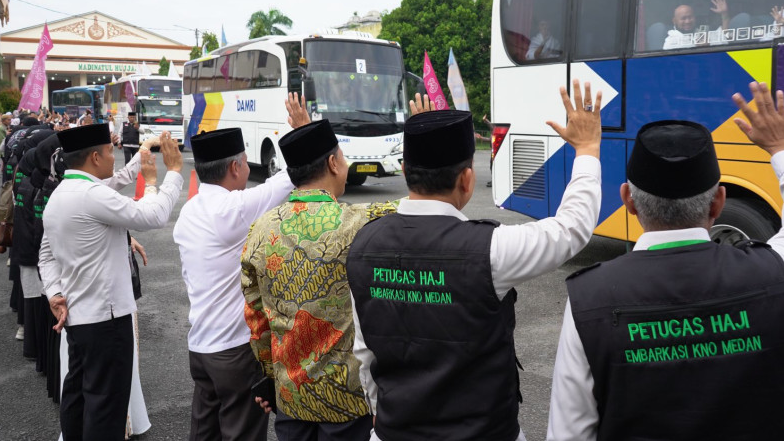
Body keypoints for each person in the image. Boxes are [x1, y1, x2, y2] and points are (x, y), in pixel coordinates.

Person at [546, 82, 784, 441]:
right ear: (719, 202)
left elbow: (569, 432)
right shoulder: (777, 275)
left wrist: (587, 149)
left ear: (628, 201)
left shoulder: (588, 298)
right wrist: (783, 148)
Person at [345, 81, 603, 441]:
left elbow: (365, 351)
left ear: (405, 171)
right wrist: (587, 150)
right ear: (467, 180)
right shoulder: (491, 249)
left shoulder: (362, 245)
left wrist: (379, 413)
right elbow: (571, 229)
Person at [241, 107, 413, 440]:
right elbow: (423, 204)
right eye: (343, 157)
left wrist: (269, 376)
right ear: (333, 163)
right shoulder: (358, 222)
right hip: (346, 401)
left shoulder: (260, 230)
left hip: (291, 398)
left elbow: (256, 319)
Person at [172, 94, 308, 441]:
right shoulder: (233, 209)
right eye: (246, 162)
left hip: (201, 346)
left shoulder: (190, 211)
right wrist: (303, 132)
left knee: (204, 432)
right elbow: (287, 179)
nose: (249, 169)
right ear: (234, 168)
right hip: (234, 350)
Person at [39, 125, 183, 441]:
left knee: (78, 399)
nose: (113, 157)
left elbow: (45, 255)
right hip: (107, 321)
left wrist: (54, 292)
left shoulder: (61, 193)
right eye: (109, 151)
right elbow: (153, 216)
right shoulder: (92, 195)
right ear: (94, 157)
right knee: (106, 409)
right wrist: (168, 175)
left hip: (79, 320)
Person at [663, 0, 730, 49]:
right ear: (674, 21)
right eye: (683, 18)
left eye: (690, 17)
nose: (687, 21)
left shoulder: (702, 34)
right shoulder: (671, 41)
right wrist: (699, 49)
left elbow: (723, 37)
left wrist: (724, 15)